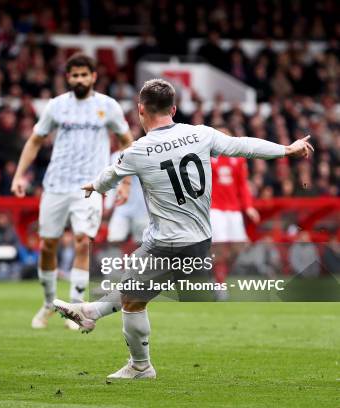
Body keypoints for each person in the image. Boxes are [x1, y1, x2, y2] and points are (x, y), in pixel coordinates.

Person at [53, 78, 313, 379]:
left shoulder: (138, 150)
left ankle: (139, 364)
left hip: (169, 242)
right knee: (133, 285)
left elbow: (111, 176)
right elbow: (245, 146)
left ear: (140, 110)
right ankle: (91, 313)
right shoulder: (200, 134)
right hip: (199, 238)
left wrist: (93, 186)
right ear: (174, 108)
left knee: (134, 301)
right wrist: (286, 149)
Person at [11, 53, 133, 330]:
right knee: (48, 245)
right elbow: (35, 141)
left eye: (84, 74)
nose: (80, 79)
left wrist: (125, 182)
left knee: (82, 241)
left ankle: (75, 307)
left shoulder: (108, 106)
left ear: (93, 76)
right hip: (55, 185)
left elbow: (128, 143)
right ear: (68, 78)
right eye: (74, 75)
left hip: (89, 187)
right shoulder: (56, 107)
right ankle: (48, 302)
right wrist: (19, 175)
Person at [209, 126, 261, 300]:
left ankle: (218, 276)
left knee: (238, 248)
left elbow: (242, 185)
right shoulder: (207, 157)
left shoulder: (238, 159)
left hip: (234, 210)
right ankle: (219, 284)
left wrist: (249, 206)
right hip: (215, 209)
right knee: (220, 247)